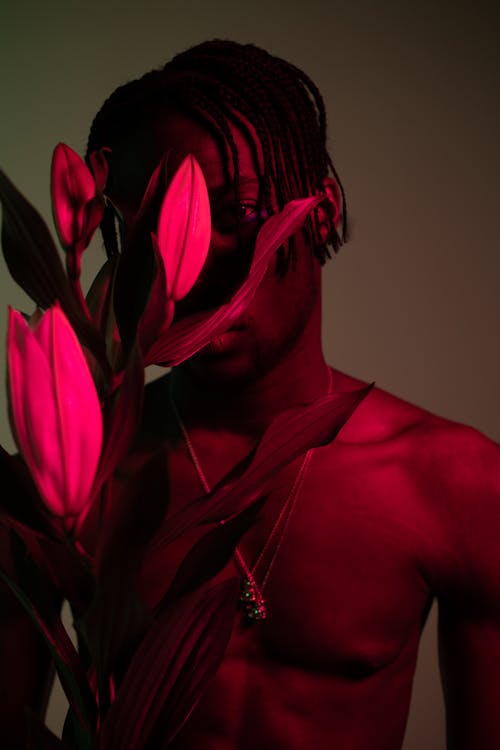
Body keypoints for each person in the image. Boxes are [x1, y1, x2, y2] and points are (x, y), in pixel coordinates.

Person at [2, 39, 500, 749]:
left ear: (320, 211)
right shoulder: (70, 484)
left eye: (231, 213)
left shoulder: (455, 484)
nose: (189, 264)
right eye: (149, 231)